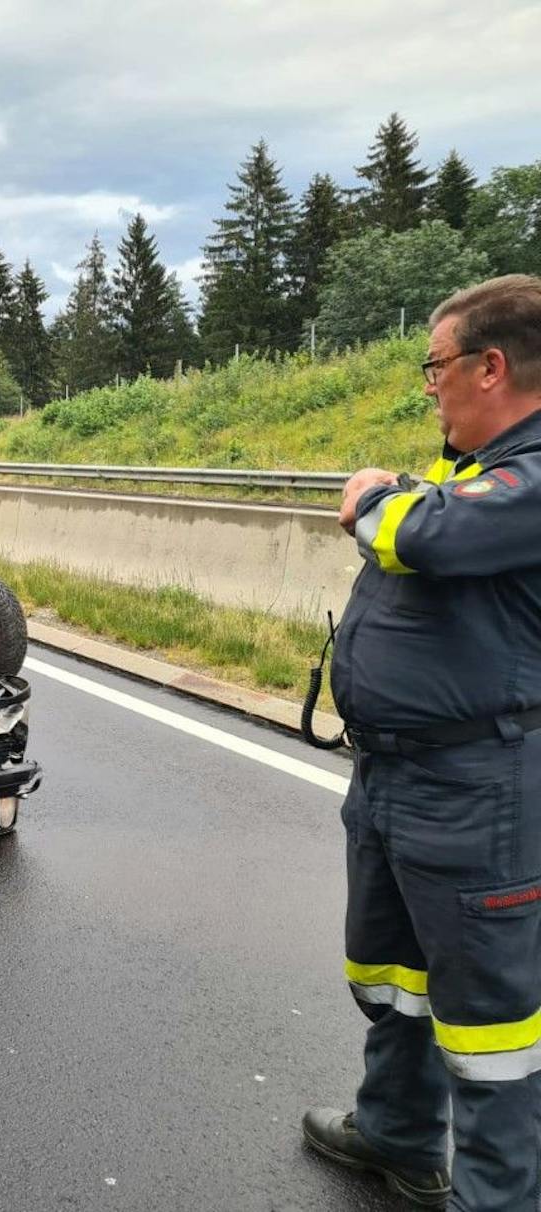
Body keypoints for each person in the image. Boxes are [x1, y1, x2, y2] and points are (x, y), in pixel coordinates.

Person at [304, 274, 541, 1210]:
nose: (428, 385)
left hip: (479, 786)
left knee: (491, 1028)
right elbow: (433, 517)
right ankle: (398, 1133)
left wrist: (371, 493)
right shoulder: (478, 470)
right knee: (393, 974)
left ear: (492, 366)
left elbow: (429, 537)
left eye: (434, 366)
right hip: (398, 778)